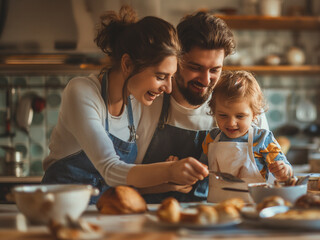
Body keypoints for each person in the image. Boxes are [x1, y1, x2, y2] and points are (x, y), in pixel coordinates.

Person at [41, 5, 208, 204]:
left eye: (171, 77)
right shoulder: (82, 92)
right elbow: (110, 170)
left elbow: (117, 183)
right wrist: (168, 170)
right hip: (61, 211)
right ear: (127, 64)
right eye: (161, 76)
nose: (168, 88)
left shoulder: (135, 104)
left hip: (106, 213)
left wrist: (169, 182)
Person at [136, 12, 269, 203]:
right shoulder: (148, 103)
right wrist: (164, 178)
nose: (206, 80)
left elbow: (269, 176)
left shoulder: (241, 107)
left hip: (222, 218)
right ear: (176, 61)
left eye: (215, 70)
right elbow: (118, 179)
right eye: (195, 67)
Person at [198, 71, 293, 202]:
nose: (231, 123)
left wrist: (284, 171)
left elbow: (287, 173)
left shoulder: (262, 139)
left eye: (240, 116)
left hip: (252, 206)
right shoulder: (211, 139)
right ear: (214, 112)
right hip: (217, 206)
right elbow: (201, 171)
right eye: (223, 115)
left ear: (254, 115)